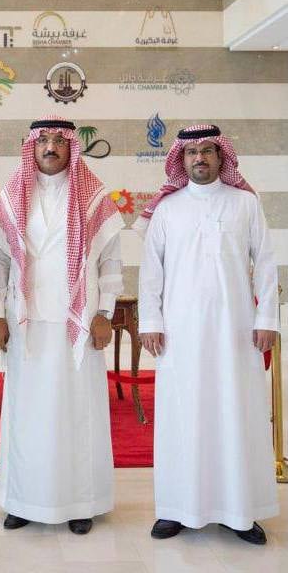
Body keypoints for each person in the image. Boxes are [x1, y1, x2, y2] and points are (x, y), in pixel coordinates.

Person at [137, 124, 279, 545]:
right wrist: (151, 322)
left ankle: (239, 512)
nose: (199, 158)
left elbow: (265, 263)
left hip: (236, 332)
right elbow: (151, 271)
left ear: (221, 157)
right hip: (179, 335)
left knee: (235, 414)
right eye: (191, 152)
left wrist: (267, 318)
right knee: (183, 417)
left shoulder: (245, 203)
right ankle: (176, 509)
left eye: (207, 151)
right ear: (180, 160)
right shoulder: (167, 209)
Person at [0, 116, 123, 535]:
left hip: (77, 324)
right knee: (26, 414)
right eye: (42, 140)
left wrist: (105, 313)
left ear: (71, 147)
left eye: (58, 141)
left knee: (78, 414)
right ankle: (23, 500)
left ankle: (80, 502)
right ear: (31, 146)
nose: (49, 147)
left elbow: (111, 263)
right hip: (25, 323)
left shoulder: (93, 197)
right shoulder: (12, 196)